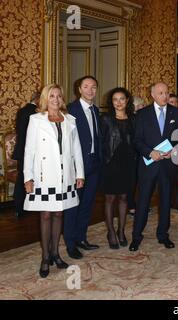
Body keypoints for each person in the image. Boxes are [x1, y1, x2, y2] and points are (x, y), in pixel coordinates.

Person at [23, 84, 84, 277]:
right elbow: (29, 150)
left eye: (58, 96)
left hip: (64, 175)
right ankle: (45, 257)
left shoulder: (70, 120)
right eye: (51, 96)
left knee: (59, 214)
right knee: (46, 215)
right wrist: (28, 176)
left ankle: (56, 253)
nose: (55, 99)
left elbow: (76, 150)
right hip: (44, 176)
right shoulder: (35, 120)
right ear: (45, 99)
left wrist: (79, 173)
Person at [129, 82, 178, 251]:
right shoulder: (142, 114)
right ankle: (136, 236)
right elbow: (136, 140)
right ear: (152, 94)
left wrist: (174, 151)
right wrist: (150, 152)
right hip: (148, 165)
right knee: (143, 201)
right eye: (160, 93)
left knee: (166, 201)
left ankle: (163, 235)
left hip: (168, 165)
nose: (164, 96)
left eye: (166, 93)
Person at [64, 75, 102, 260]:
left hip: (94, 164)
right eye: (86, 86)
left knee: (87, 205)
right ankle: (71, 244)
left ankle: (81, 238)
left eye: (93, 87)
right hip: (76, 167)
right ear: (79, 89)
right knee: (73, 206)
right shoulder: (70, 110)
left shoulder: (95, 109)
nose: (90, 90)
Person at [100, 88, 136, 249]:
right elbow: (101, 143)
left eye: (122, 99)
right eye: (115, 99)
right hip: (110, 163)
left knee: (123, 198)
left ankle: (121, 231)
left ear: (127, 100)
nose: (119, 102)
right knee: (110, 199)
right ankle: (111, 232)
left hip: (128, 163)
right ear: (111, 102)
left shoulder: (134, 119)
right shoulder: (105, 118)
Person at [12, 91, 39, 217]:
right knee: (27, 178)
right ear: (38, 99)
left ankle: (18, 208)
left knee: (21, 178)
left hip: (20, 149)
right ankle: (27, 207)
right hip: (30, 151)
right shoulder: (36, 113)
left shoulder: (22, 110)